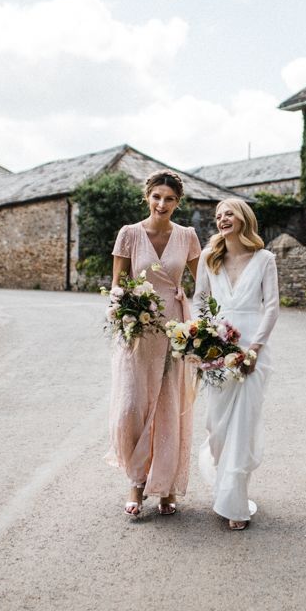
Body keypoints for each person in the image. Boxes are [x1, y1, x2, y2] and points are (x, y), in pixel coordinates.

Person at [106, 170, 201, 517]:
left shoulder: (187, 236)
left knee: (168, 408)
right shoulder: (129, 234)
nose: (162, 204)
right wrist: (124, 309)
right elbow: (117, 284)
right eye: (157, 197)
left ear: (178, 202)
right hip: (138, 332)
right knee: (133, 406)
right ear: (147, 197)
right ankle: (135, 482)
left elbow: (203, 281)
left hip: (174, 330)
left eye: (170, 199)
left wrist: (187, 296)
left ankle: (165, 488)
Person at [194, 198, 279, 530]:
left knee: (242, 427)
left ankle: (235, 503)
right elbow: (200, 299)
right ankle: (223, 485)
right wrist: (200, 341)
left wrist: (255, 348)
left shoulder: (265, 259)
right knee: (216, 428)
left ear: (244, 219)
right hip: (216, 349)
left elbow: (271, 307)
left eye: (228, 213)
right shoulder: (208, 257)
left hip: (252, 352)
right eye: (218, 215)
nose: (222, 219)